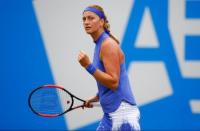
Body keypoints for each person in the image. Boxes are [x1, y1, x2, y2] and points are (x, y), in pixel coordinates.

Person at [78, 5, 140, 131]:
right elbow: (109, 81)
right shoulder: (99, 44)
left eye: (91, 18)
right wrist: (97, 97)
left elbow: (114, 82)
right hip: (110, 115)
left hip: (122, 115)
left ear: (101, 22)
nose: (86, 22)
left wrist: (88, 66)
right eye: (84, 19)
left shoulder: (107, 45)